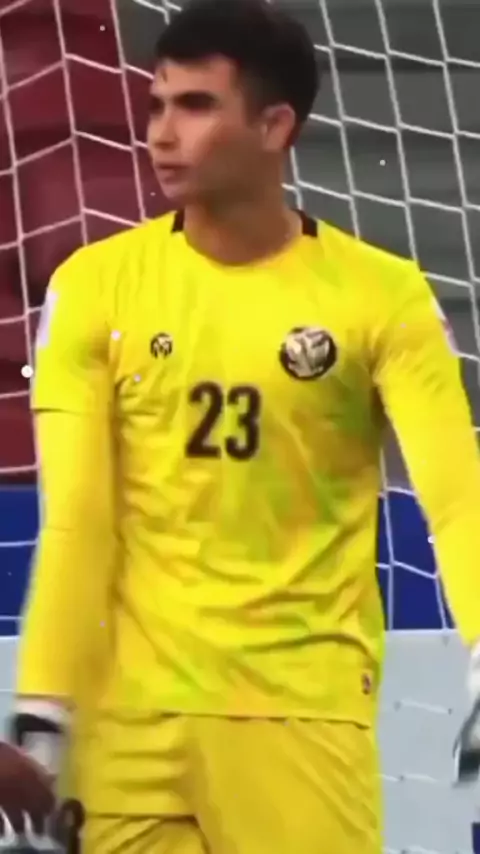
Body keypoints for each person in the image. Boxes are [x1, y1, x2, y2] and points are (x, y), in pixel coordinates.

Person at [3, 0, 480, 851]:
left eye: (195, 106)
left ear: (274, 126)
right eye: (157, 104)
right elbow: (77, 518)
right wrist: (43, 710)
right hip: (127, 724)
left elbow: (455, 496)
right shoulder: (93, 286)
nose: (161, 133)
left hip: (297, 713)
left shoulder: (383, 296)